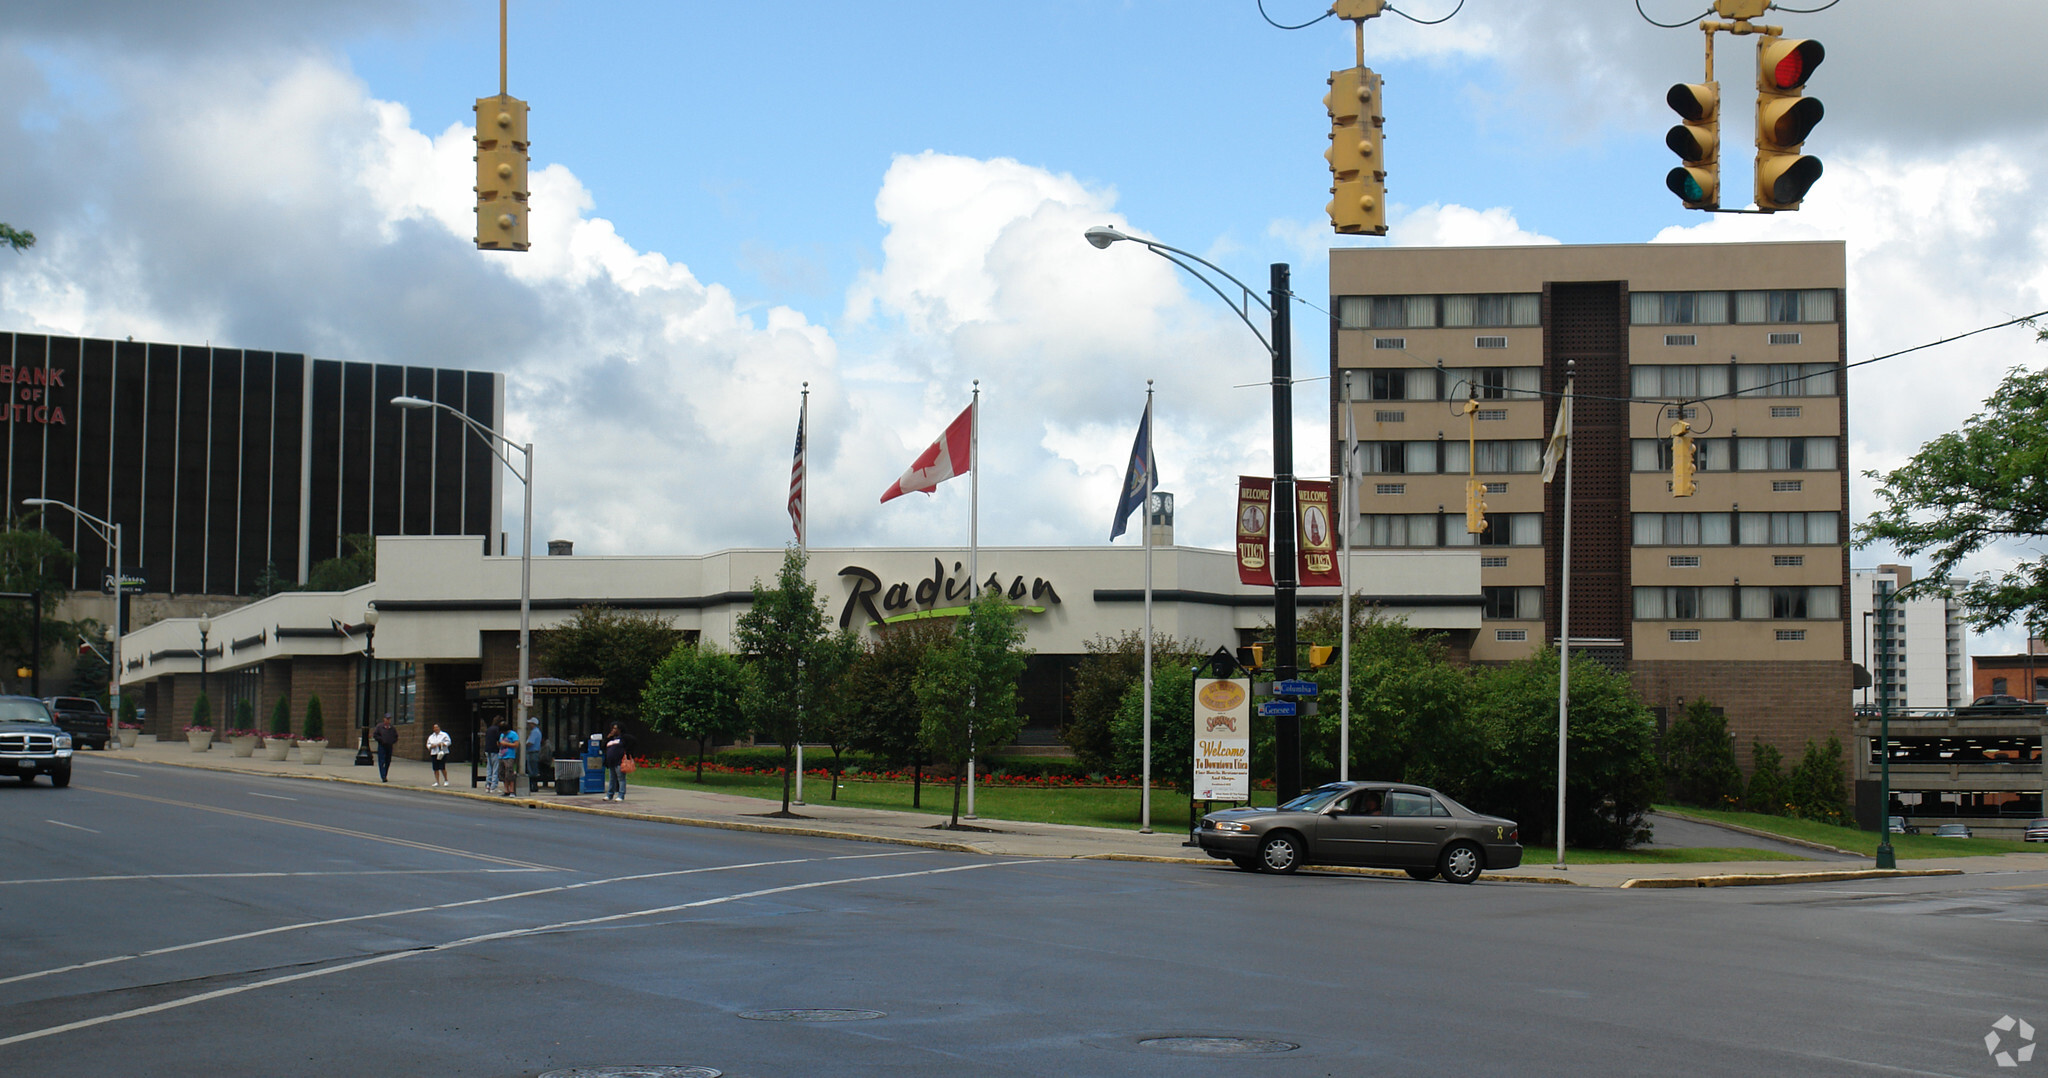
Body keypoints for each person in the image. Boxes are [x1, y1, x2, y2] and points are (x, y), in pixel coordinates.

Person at [602, 722, 630, 802]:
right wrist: (608, 738)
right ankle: (610, 795)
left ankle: (621, 795)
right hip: (611, 761)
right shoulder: (611, 739)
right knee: (612, 778)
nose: (613, 730)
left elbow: (630, 744)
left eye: (615, 728)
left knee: (621, 778)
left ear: (619, 729)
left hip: (619, 761)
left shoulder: (623, 738)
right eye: (613, 728)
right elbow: (603, 746)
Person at [372, 713, 398, 782]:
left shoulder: (392, 728)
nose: (388, 720)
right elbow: (375, 735)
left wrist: (392, 741)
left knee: (388, 761)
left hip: (389, 746)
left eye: (389, 719)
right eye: (387, 719)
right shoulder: (380, 727)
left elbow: (396, 736)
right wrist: (381, 740)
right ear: (384, 719)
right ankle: (383, 776)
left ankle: (385, 774)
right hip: (382, 746)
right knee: (382, 761)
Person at [498, 720, 521, 796]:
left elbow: (516, 744)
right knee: (502, 773)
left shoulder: (513, 734)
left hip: (509, 756)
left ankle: (512, 790)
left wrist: (506, 744)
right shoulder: (502, 735)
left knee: (509, 773)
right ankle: (506, 790)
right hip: (501, 755)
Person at [480, 719, 500, 793]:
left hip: (487, 749)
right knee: (495, 768)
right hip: (495, 750)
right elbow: (499, 740)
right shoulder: (497, 730)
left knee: (489, 768)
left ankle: (488, 785)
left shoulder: (489, 729)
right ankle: (493, 786)